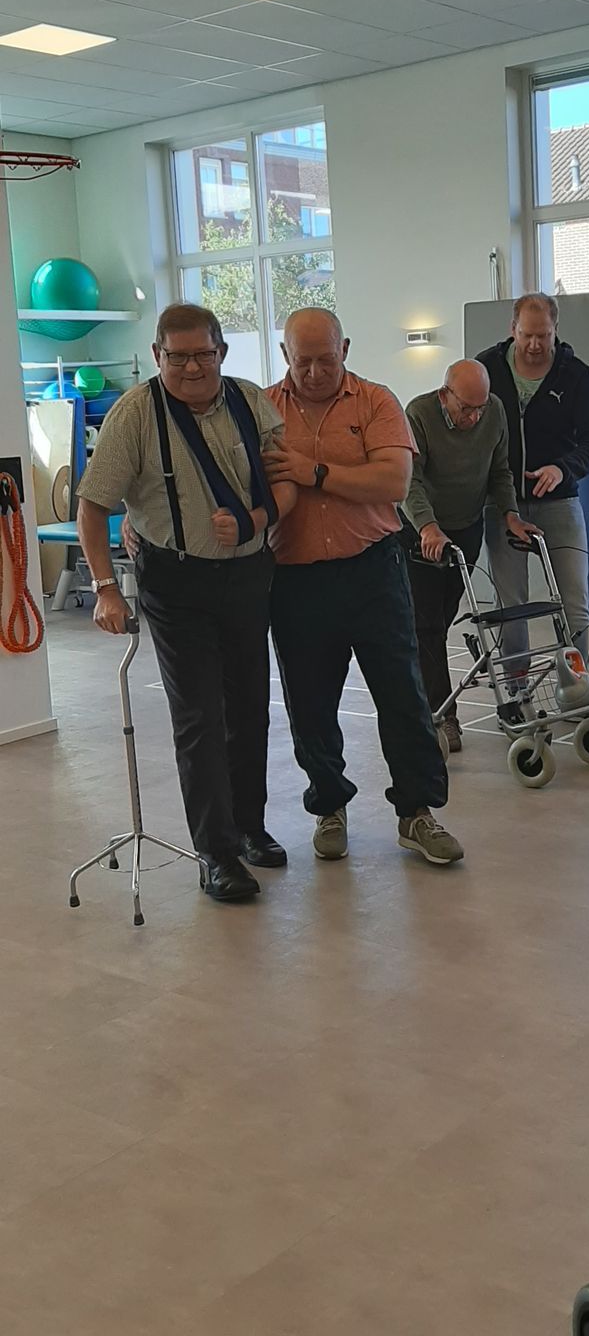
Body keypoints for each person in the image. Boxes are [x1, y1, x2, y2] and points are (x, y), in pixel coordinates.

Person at [78, 302, 296, 905]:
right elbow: (92, 508)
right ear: (157, 355)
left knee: (249, 709)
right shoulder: (134, 415)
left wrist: (256, 519)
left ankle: (248, 828)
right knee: (200, 717)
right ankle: (216, 855)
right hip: (176, 585)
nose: (192, 367)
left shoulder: (251, 401)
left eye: (203, 354)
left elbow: (285, 482)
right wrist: (104, 588)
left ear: (221, 352)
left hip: (247, 575)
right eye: (178, 357)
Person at [261, 308, 463, 867]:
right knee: (310, 703)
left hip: (373, 569)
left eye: (326, 360)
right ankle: (329, 806)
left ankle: (417, 813)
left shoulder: (375, 402)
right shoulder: (262, 410)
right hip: (296, 577)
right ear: (285, 355)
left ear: (345, 349)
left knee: (403, 695)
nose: (315, 372)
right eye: (303, 361)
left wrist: (315, 472)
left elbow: (392, 480)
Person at [401, 359, 534, 751]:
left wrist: (510, 514)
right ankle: (443, 717)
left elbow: (500, 471)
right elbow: (410, 480)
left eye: (480, 407)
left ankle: (424, 698)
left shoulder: (494, 412)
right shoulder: (419, 414)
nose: (474, 417)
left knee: (440, 620)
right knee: (426, 625)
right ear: (445, 395)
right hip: (420, 532)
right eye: (466, 409)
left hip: (466, 527)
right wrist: (427, 526)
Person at [478, 292, 589, 673]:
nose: (534, 345)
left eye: (543, 336)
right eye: (527, 335)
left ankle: (577, 685)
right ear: (512, 329)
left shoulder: (576, 375)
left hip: (560, 502)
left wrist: (563, 469)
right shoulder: (487, 369)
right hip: (503, 505)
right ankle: (516, 688)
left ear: (556, 330)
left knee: (574, 600)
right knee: (510, 605)